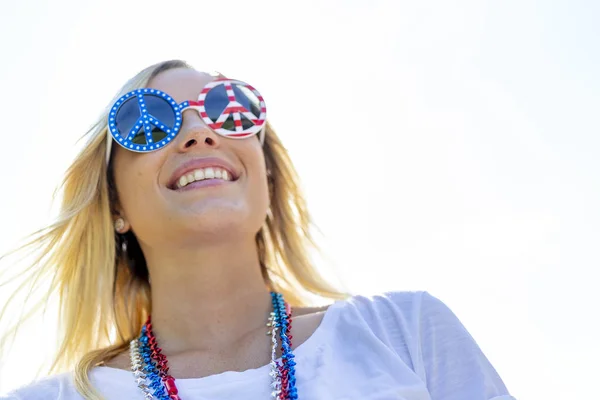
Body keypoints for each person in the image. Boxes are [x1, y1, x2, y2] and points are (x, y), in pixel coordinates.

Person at [0, 60, 516, 400]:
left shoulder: (406, 333)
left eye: (230, 109)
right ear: (115, 203)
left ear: (266, 177)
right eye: (150, 120)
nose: (200, 132)